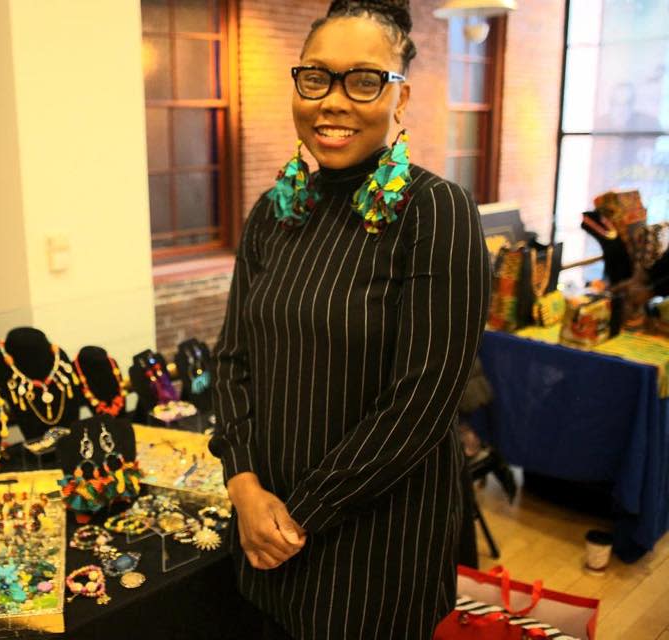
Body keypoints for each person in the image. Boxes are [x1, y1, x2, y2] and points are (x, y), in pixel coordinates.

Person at [208, 1, 491, 638]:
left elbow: (422, 403)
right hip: (264, 529)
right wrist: (245, 487)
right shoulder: (275, 211)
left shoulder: (435, 211)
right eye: (316, 78)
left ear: (401, 96)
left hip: (373, 549)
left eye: (364, 80)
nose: (332, 101)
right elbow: (231, 361)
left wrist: (295, 517)